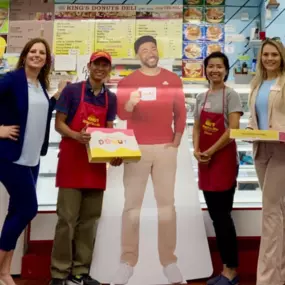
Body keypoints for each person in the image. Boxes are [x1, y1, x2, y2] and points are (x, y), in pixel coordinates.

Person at [113, 35, 187, 285]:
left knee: (167, 205)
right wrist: (132, 104)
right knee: (132, 206)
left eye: (153, 48)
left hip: (165, 148)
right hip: (136, 148)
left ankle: (169, 261)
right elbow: (121, 112)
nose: (150, 52)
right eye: (144, 50)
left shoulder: (173, 79)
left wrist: (175, 141)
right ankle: (127, 261)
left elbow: (181, 112)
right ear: (138, 55)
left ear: (158, 51)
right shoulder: (127, 82)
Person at [49, 51, 122, 285]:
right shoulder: (72, 91)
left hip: (95, 166)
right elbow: (59, 123)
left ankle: (80, 270)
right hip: (71, 162)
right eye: (97, 64)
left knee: (89, 222)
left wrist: (115, 155)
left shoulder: (111, 98)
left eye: (105, 65)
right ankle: (59, 273)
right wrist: (75, 135)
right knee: (66, 221)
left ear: (109, 70)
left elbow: (109, 132)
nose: (101, 68)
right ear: (89, 66)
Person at [0, 38, 64, 285]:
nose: (37, 55)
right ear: (25, 55)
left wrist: (57, 96)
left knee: (16, 211)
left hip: (32, 159)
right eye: (33, 51)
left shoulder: (39, 84)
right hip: (10, 158)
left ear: (46, 60)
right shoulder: (12, 79)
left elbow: (41, 112)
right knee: (28, 209)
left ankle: (5, 273)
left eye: (42, 53)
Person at [192, 52, 243, 285]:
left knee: (223, 218)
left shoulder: (231, 96)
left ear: (226, 70)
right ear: (206, 70)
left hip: (222, 162)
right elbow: (196, 129)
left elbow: (232, 130)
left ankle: (231, 270)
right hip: (206, 163)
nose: (214, 70)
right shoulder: (201, 97)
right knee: (215, 217)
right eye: (210, 66)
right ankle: (225, 269)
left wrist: (210, 152)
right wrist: (196, 150)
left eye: (219, 67)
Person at [247, 38, 285, 285]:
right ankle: (279, 273)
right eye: (265, 54)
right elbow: (256, 117)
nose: (269, 58)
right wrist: (249, 130)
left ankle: (268, 279)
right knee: (278, 211)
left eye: (274, 54)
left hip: (282, 150)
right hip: (261, 149)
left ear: (282, 57)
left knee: (271, 212)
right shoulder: (257, 83)